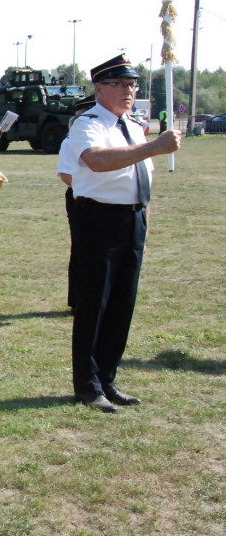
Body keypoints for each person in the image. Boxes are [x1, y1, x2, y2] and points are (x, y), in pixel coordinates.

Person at [64, 54, 181, 413]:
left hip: (131, 219)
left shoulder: (130, 124)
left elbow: (135, 174)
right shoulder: (89, 123)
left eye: (132, 85)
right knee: (94, 304)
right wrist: (154, 146)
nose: (129, 91)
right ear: (100, 88)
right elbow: (97, 162)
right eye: (121, 84)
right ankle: (88, 384)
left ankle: (108, 379)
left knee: (121, 305)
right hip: (99, 218)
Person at [56, 94, 95, 312]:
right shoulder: (70, 141)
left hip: (100, 197)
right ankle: (78, 300)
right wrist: (90, 186)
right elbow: (65, 174)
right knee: (81, 249)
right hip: (79, 197)